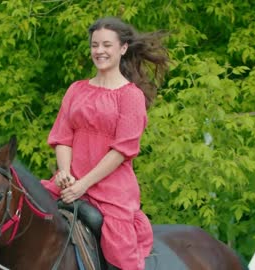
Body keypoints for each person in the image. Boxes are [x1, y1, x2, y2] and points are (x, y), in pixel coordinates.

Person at [41, 17, 169, 270]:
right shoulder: (76, 89)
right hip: (69, 182)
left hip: (111, 190)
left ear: (123, 48)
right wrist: (65, 173)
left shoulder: (131, 96)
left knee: (121, 253)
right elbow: (63, 138)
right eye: (94, 45)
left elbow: (122, 151)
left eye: (106, 45)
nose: (99, 51)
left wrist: (83, 185)